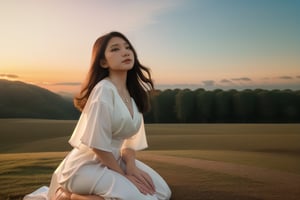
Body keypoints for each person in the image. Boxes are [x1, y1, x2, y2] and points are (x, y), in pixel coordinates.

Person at [47, 31, 171, 200]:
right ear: (103, 62)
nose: (126, 52)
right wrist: (124, 176)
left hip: (115, 161)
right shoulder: (103, 90)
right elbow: (97, 145)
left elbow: (129, 142)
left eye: (128, 48)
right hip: (85, 166)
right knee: (146, 199)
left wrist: (132, 167)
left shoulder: (132, 94)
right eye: (115, 49)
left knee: (162, 192)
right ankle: (71, 196)